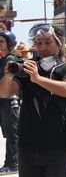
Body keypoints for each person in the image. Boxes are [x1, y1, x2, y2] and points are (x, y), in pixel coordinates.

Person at [0, 23, 66, 177]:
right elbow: (4, 93)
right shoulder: (29, 67)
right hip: (28, 147)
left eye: (47, 42)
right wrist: (8, 76)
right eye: (39, 42)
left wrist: (37, 78)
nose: (42, 47)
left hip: (58, 146)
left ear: (58, 43)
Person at [0, 30, 19, 174]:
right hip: (4, 100)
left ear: (9, 44)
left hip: (9, 100)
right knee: (9, 132)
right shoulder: (4, 58)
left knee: (12, 132)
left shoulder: (10, 59)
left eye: (1, 42)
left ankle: (13, 164)